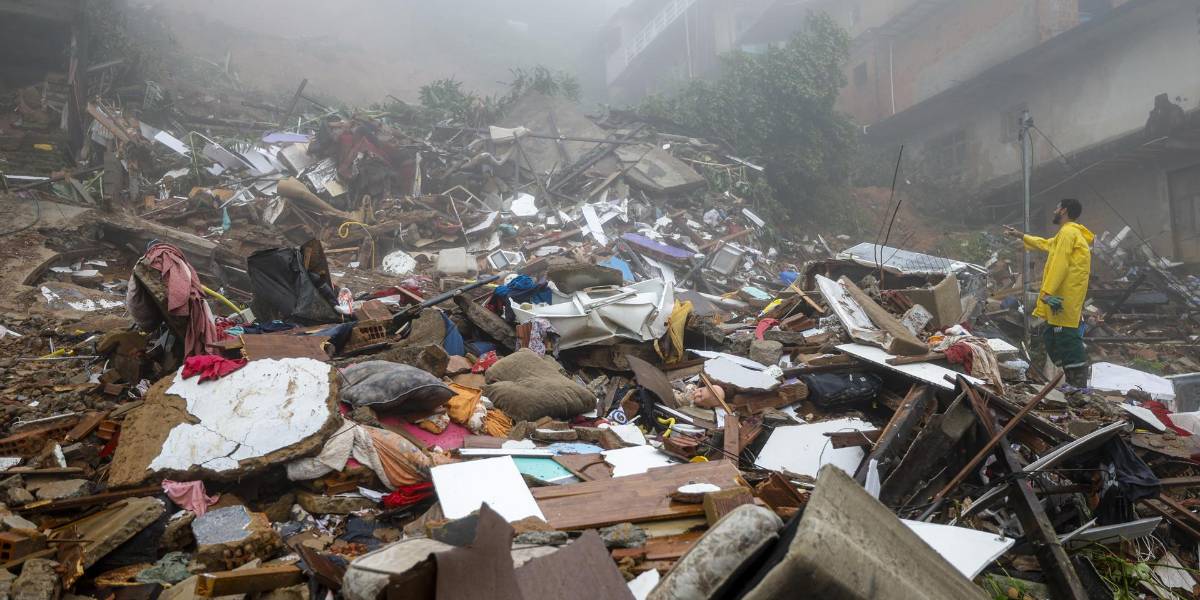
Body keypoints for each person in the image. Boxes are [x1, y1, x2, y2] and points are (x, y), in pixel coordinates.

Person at [1004, 199, 1095, 388]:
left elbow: (1059, 265)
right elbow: (1046, 244)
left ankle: (1078, 385)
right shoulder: (1067, 234)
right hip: (1061, 295)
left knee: (1067, 338)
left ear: (1064, 210)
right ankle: (1072, 378)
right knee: (1051, 335)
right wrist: (1020, 235)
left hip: (1063, 297)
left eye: (1056, 207)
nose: (1054, 210)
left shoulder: (1068, 233)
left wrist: (1046, 293)